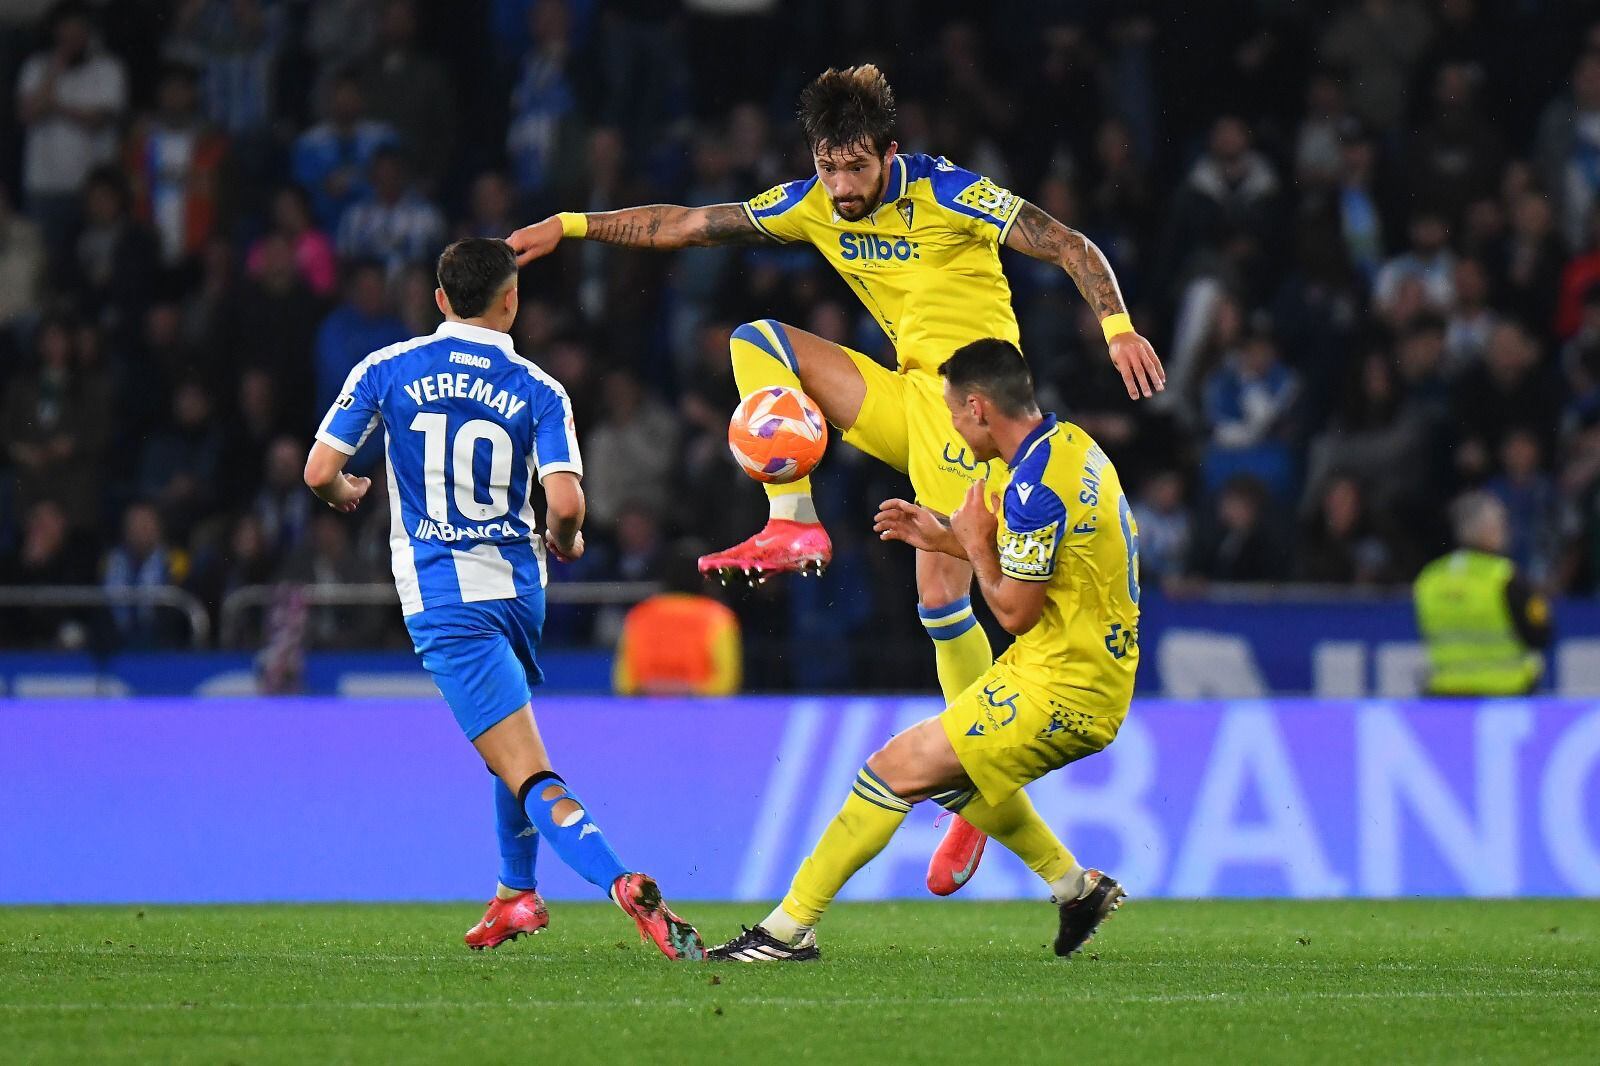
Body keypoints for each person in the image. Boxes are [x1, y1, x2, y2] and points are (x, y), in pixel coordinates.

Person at [509, 63, 1164, 893]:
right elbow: (681, 223)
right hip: (903, 400)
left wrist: (1117, 328)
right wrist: (568, 225)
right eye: (829, 166)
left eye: (857, 167)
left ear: (890, 153)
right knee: (757, 340)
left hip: (972, 416)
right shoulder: (811, 202)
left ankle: (974, 801)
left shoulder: (953, 194)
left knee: (937, 600)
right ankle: (793, 515)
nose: (843, 185)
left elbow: (1067, 242)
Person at [302, 238, 702, 959]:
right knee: (507, 747)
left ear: (439, 300)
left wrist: (345, 491)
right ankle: (515, 895)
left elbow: (320, 469)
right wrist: (570, 539)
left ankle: (621, 881)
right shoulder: (541, 388)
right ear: (512, 299)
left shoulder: (385, 368)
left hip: (446, 606)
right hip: (519, 594)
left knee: (525, 767)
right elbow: (569, 503)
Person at [708, 339, 1138, 962]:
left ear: (979, 408)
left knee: (891, 769)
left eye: (954, 415)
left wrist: (975, 540)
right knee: (945, 778)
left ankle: (785, 931)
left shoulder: (1031, 491)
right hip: (1082, 666)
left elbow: (1015, 611)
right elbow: (1056, 567)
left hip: (1061, 686)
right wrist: (948, 538)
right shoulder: (1075, 448)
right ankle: (1074, 889)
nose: (955, 433)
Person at [1414, 492, 1551, 697]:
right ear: (1486, 529)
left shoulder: (1430, 578)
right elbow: (1540, 634)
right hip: (1507, 694)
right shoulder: (1505, 577)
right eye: (1500, 522)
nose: (1506, 530)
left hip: (1447, 694)